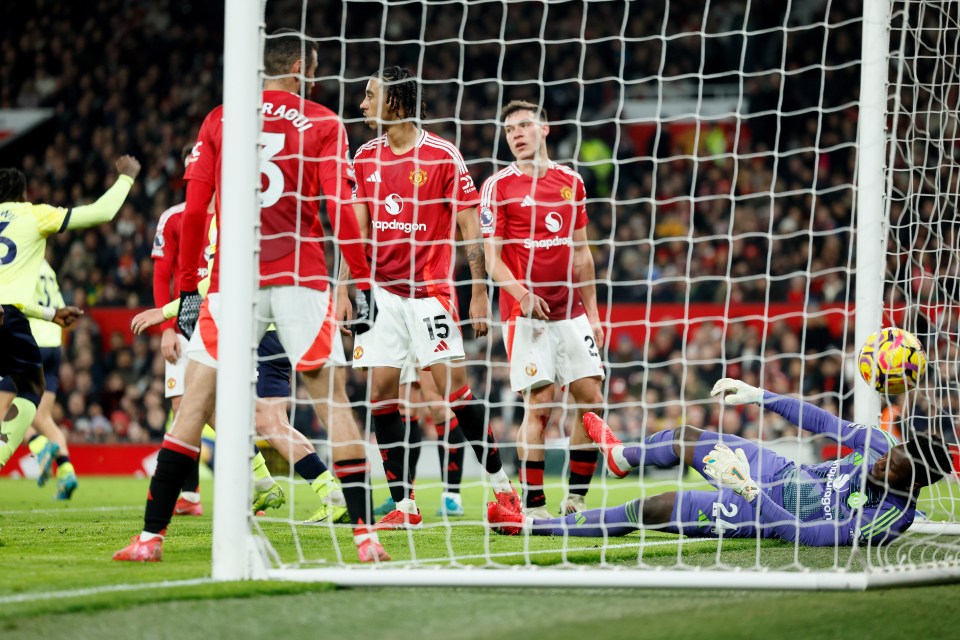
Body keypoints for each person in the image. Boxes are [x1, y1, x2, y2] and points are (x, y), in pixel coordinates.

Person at [114, 29, 386, 563]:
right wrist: (360, 278)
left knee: (191, 406)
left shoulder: (220, 118)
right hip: (301, 276)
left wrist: (189, 287)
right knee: (333, 402)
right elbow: (342, 209)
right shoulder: (326, 123)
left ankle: (150, 540)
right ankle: (365, 538)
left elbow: (194, 214)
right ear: (302, 69)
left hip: (232, 282)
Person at [345, 65, 521, 529]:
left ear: (396, 103)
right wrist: (348, 290)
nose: (361, 104)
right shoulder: (364, 157)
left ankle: (505, 490)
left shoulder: (442, 156)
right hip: (381, 296)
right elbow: (356, 232)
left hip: (429, 296)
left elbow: (469, 229)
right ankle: (404, 505)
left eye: (369, 96)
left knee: (452, 390)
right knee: (380, 392)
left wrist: (478, 293)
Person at [488, 377, 955, 546]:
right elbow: (821, 420)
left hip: (760, 512)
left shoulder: (889, 518)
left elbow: (806, 535)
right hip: (777, 470)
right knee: (687, 438)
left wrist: (749, 490)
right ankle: (619, 456)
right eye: (890, 455)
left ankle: (530, 527)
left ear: (915, 482)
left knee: (652, 510)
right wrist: (761, 396)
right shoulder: (878, 444)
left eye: (893, 469)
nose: (881, 464)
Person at [480, 100, 604, 518]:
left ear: (545, 129)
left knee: (593, 402)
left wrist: (594, 314)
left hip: (571, 312)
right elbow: (492, 259)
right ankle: (534, 506)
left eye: (524, 125)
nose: (516, 134)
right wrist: (522, 293)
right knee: (541, 407)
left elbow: (583, 254)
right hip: (527, 317)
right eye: (509, 129)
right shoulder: (498, 186)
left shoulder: (571, 182)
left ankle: (576, 498)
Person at [0, 156, 140, 473]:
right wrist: (126, 179)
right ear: (23, 195)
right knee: (31, 390)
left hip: (14, 315)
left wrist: (49, 314)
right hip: (10, 319)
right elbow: (102, 212)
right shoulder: (33, 214)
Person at [374, 363, 467, 518]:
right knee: (402, 406)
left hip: (424, 339)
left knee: (438, 404)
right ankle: (404, 493)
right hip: (401, 339)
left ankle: (452, 496)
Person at [23, 259, 81, 499]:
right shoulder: (47, 267)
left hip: (32, 341)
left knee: (11, 409)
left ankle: (38, 445)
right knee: (42, 416)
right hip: (54, 346)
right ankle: (66, 471)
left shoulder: (18, 260)